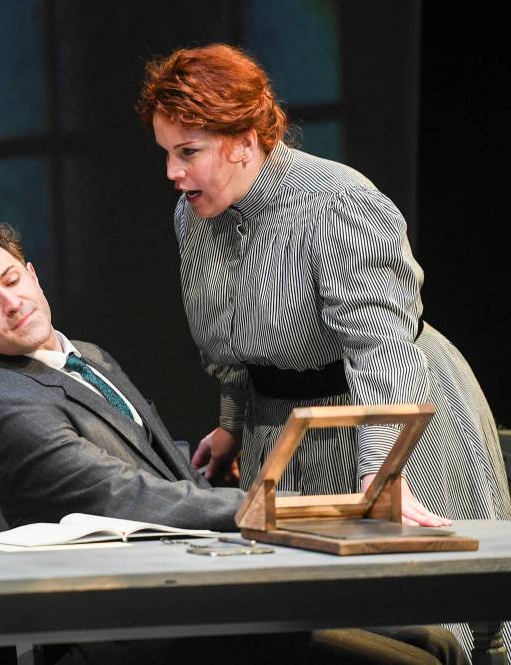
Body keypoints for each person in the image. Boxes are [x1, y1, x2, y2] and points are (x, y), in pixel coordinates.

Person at [0, 220, 466, 665]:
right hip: (137, 627)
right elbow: (125, 498)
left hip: (197, 589)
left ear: (33, 274)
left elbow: (144, 468)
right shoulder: (9, 407)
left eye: (12, 280)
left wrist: (199, 468)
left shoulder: (84, 353)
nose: (12, 302)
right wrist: (293, 510)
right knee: (417, 659)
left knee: (435, 638)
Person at [136, 43, 510, 653]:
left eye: (188, 152)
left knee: (417, 611)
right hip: (284, 431)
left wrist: (381, 473)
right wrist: (232, 424)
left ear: (245, 138)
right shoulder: (193, 216)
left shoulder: (334, 205)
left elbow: (380, 353)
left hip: (389, 416)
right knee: (312, 617)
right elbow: (232, 341)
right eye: (166, 153)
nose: (173, 174)